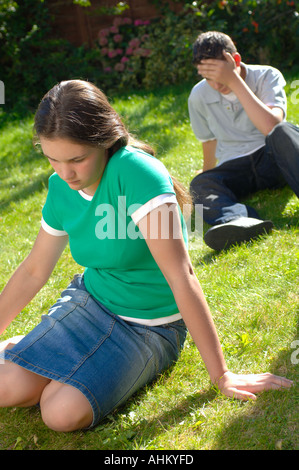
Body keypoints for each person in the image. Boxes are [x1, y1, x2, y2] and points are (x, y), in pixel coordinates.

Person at [0, 80, 293, 432]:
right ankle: (30, 347)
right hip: (92, 303)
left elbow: (180, 276)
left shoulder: (138, 175)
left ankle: (38, 351)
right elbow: (34, 270)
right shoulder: (61, 185)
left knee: (59, 414)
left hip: (150, 328)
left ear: (105, 142)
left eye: (77, 159)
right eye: (53, 159)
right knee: (7, 388)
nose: (65, 173)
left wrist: (222, 376)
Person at [188, 31, 299, 251]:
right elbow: (208, 142)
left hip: (272, 155)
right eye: (209, 79)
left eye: (221, 76)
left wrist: (234, 81)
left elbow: (271, 126)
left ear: (235, 60)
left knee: (284, 132)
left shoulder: (267, 75)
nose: (218, 85)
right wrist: (207, 175)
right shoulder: (198, 96)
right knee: (199, 184)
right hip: (236, 165)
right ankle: (241, 222)